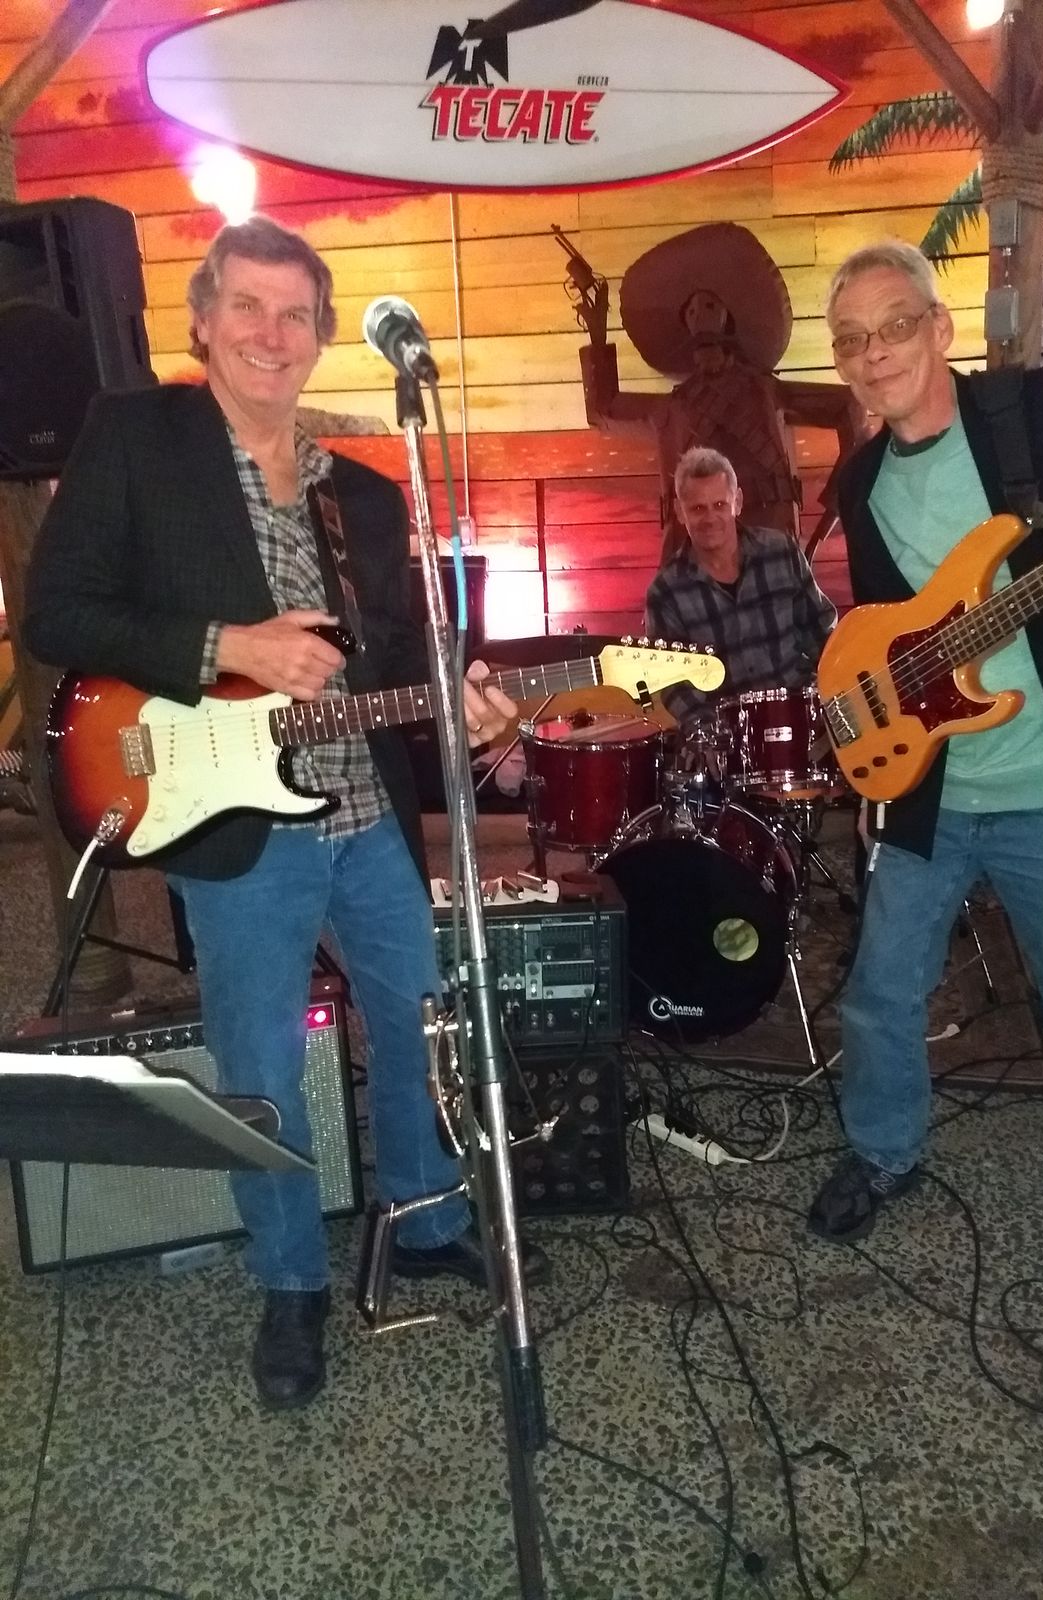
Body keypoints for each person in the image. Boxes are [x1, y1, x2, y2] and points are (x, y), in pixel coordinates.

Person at [24, 215, 544, 1410]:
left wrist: (462, 699)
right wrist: (229, 644)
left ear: (320, 336)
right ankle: (292, 1279)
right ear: (204, 320)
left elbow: (395, 654)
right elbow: (58, 612)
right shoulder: (137, 438)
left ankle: (425, 1217)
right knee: (260, 1063)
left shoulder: (361, 495)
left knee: (419, 1024)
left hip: (366, 814)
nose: (271, 332)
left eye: (295, 314)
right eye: (247, 307)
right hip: (230, 818)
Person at [808, 239, 1043, 1296]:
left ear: (940, 328)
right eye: (852, 339)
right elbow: (889, 627)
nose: (875, 353)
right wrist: (871, 700)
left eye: (895, 325)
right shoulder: (859, 481)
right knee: (881, 994)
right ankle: (882, 1148)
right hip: (931, 787)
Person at [574, 221, 862, 556]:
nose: (700, 317)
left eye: (709, 307)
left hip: (768, 547)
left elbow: (850, 406)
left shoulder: (765, 392)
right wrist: (597, 334)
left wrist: (833, 512)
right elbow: (603, 410)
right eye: (692, 311)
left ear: (728, 318)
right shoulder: (674, 408)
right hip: (692, 557)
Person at [644, 445, 836, 729]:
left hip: (801, 719)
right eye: (697, 508)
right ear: (679, 512)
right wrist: (713, 732)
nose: (710, 518)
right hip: (728, 735)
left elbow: (821, 631)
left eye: (720, 505)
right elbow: (673, 684)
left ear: (738, 502)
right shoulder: (666, 592)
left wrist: (835, 693)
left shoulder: (781, 551)